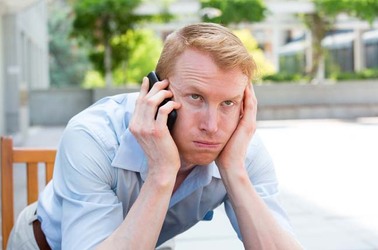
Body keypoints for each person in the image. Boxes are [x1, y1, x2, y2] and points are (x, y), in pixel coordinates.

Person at [8, 22, 302, 249]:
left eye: (228, 102)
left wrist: (235, 172)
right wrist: (162, 171)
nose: (212, 126)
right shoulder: (93, 136)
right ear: (157, 93)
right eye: (196, 97)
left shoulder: (242, 148)